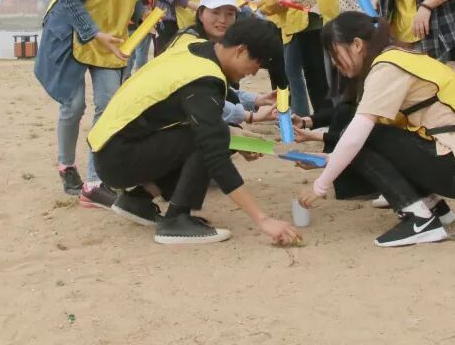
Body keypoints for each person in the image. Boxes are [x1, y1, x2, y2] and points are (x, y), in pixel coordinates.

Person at [296, 12, 455, 247]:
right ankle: (435, 207)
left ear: (357, 45)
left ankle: (419, 220)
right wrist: (328, 159)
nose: (334, 62)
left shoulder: (387, 67)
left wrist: (320, 186)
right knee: (370, 137)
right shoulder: (399, 57)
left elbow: (357, 137)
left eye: (335, 53)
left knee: (365, 136)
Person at [89, 18, 301, 246]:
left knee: (219, 134)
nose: (253, 72)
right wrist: (263, 219)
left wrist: (239, 137)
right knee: (212, 140)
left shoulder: (196, 48)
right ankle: (176, 220)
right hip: (117, 157)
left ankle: (138, 200)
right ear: (240, 50)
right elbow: (213, 150)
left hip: (111, 146)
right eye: (256, 64)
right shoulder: (204, 79)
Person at [36, 0, 178, 207]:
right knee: (73, 106)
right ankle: (66, 166)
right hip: (72, 30)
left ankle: (94, 183)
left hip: (111, 36)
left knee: (109, 105)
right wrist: (94, 33)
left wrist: (142, 13)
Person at [165, 0, 277, 126]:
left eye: (229, 14)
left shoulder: (214, 45)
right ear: (200, 14)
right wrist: (249, 116)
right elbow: (202, 99)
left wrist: (258, 100)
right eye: (215, 12)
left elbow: (219, 89)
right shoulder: (190, 44)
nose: (223, 20)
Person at [251, 0, 327, 117]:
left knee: (293, 73)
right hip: (288, 26)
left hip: (296, 24)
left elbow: (284, 0)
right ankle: (295, 112)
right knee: (291, 73)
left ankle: (299, 114)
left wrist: (259, 8)